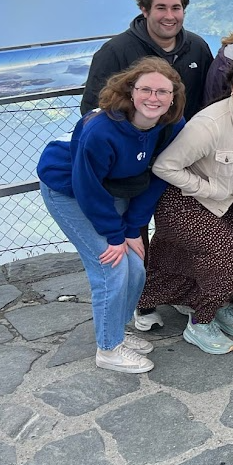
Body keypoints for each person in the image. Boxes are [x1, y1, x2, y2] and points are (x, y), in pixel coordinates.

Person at [38, 58, 186, 373]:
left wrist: (134, 229)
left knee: (136, 267)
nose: (153, 98)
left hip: (113, 189)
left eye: (162, 91)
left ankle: (116, 332)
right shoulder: (102, 130)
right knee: (112, 267)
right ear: (131, 91)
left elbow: (157, 175)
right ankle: (108, 350)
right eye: (145, 89)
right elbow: (86, 185)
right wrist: (115, 236)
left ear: (174, 97)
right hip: (68, 190)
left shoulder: (170, 126)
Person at [137, 55, 233, 354]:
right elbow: (164, 166)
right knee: (232, 263)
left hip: (223, 203)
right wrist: (207, 188)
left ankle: (213, 299)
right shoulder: (210, 124)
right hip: (183, 203)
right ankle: (200, 322)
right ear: (232, 87)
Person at [81, 0, 211, 120]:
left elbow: (210, 97)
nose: (169, 16)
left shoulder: (197, 48)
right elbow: (93, 108)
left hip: (188, 139)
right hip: (133, 141)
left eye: (176, 8)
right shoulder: (115, 52)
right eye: (161, 8)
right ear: (145, 10)